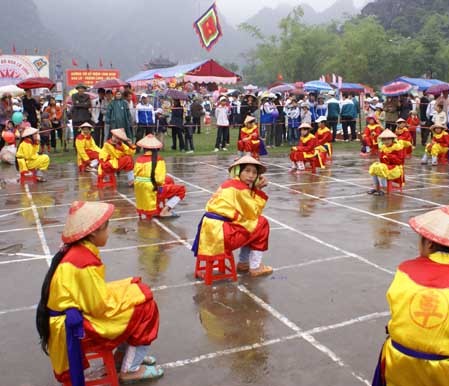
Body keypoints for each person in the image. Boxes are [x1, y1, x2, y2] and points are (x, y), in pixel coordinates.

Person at [35, 201, 163, 384]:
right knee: (146, 306)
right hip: (75, 326)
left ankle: (125, 357)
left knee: (137, 290)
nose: (109, 232)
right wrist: (133, 296)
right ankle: (131, 369)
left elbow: (93, 294)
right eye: (106, 228)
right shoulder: (83, 261)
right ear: (94, 232)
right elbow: (99, 306)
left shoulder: (77, 252)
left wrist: (129, 289)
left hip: (73, 314)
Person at [371, 205, 449, 386]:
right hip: (447, 371)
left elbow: (396, 309)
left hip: (398, 360)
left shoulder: (405, 269)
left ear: (429, 244)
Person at [191, 155, 272, 277]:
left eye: (254, 172)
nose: (251, 175)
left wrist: (255, 189)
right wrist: (259, 190)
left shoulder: (229, 184)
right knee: (262, 223)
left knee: (251, 225)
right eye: (247, 171)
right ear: (238, 171)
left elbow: (245, 212)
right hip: (223, 234)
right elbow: (253, 213)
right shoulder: (240, 189)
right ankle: (255, 266)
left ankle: (244, 263)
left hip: (211, 231)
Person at [134, 134, 186, 219]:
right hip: (153, 189)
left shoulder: (139, 159)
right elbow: (159, 180)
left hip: (140, 187)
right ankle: (165, 211)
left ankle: (160, 206)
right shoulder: (158, 159)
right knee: (181, 190)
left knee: (169, 180)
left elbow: (136, 174)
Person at [368, 129, 404, 196]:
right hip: (387, 167)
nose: (386, 141)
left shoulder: (397, 147)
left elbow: (400, 161)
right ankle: (376, 188)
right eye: (384, 140)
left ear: (392, 139)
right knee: (374, 167)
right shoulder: (383, 147)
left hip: (396, 168)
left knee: (380, 169)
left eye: (388, 139)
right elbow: (382, 160)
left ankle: (383, 190)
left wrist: (389, 156)